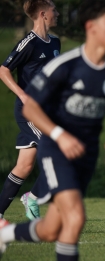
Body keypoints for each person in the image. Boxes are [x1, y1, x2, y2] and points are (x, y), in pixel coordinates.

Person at [0, 1, 105, 261]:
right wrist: (58, 134)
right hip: (56, 146)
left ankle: (5, 233)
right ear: (91, 27)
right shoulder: (66, 65)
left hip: (85, 153)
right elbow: (30, 107)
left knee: (52, 228)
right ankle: (33, 197)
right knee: (76, 218)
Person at [0, 0, 60, 221]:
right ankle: (33, 197)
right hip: (30, 111)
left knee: (24, 166)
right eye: (55, 10)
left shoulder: (55, 42)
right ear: (43, 14)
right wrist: (23, 95)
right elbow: (4, 70)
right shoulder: (29, 43)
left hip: (46, 111)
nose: (58, 13)